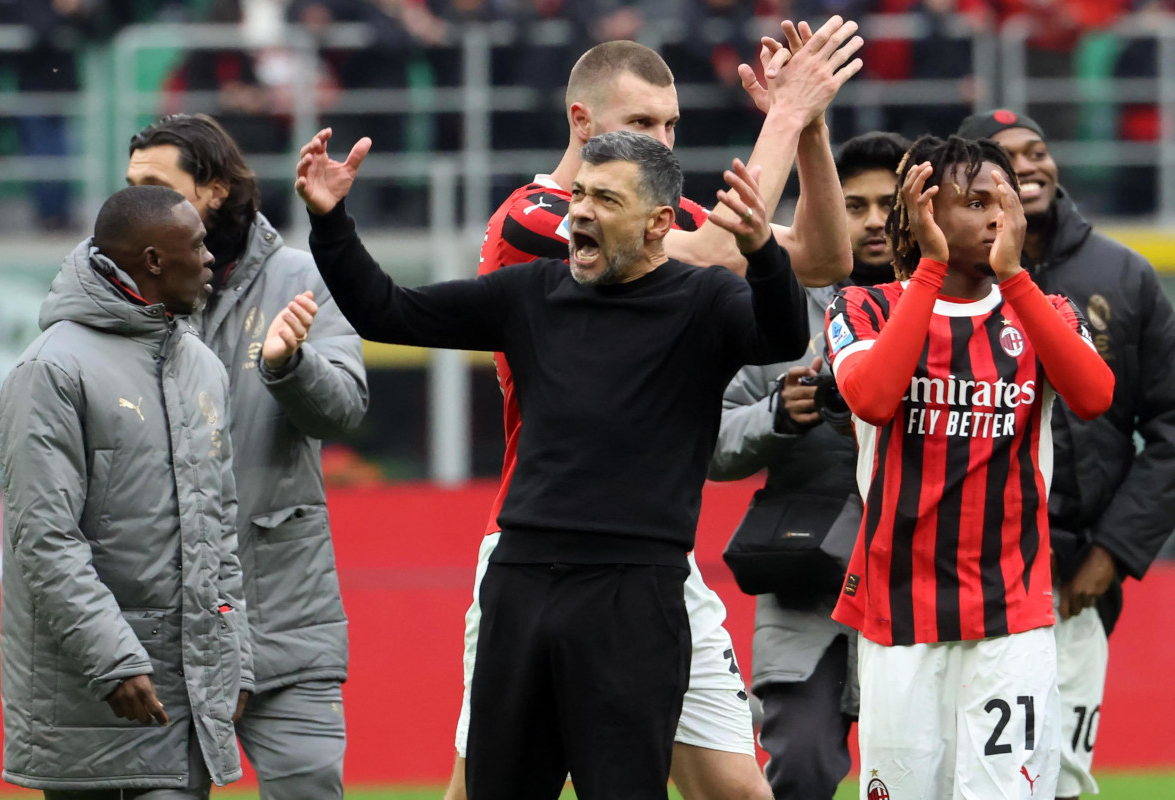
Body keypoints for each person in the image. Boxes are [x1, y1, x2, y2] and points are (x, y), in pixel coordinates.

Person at [297, 126, 806, 799]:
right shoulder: (531, 292)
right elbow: (386, 310)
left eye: (605, 199)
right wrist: (331, 220)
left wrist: (764, 253)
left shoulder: (703, 302)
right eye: (579, 195)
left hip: (634, 593)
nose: (581, 212)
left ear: (659, 224)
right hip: (521, 582)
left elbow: (784, 333)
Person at [442, 21, 863, 800]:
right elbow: (708, 261)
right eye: (641, 124)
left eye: (672, 123)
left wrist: (810, 128)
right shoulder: (537, 217)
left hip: (652, 559)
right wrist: (781, 112)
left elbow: (824, 259)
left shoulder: (662, 216)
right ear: (581, 122)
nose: (664, 139)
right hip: (540, 552)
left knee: (738, 791)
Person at [824, 135, 1115, 800]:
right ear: (924, 210)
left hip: (1010, 613)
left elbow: (1095, 397)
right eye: (976, 201)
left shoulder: (1042, 312)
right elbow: (870, 399)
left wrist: (1016, 278)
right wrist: (928, 270)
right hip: (900, 613)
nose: (997, 217)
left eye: (1004, 202)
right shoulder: (865, 308)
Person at [126, 114, 369, 800]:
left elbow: (345, 406)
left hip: (283, 616)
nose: (129, 204)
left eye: (153, 185)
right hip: (162, 631)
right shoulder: (118, 297)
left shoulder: (302, 272)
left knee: (311, 787)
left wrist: (290, 366)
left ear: (213, 191)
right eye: (128, 187)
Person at [0, 185, 251, 797]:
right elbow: (45, 538)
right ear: (153, 261)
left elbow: (218, 528)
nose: (211, 257)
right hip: (98, 701)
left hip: (186, 698)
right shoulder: (49, 371)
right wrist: (116, 661)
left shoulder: (202, 366)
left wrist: (235, 652)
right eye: (196, 244)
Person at [957, 108, 1175, 800]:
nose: (1030, 166)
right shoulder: (946, 283)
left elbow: (1171, 425)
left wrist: (1113, 554)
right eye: (1007, 156)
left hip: (1080, 580)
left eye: (1039, 150)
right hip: (969, 578)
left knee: (1060, 779)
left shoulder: (1126, 276)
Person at [709, 130, 910, 800]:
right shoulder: (775, 308)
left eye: (890, 202)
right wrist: (778, 413)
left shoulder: (962, 303)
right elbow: (705, 439)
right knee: (796, 767)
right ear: (821, 211)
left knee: (926, 770)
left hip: (926, 576)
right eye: (854, 205)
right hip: (806, 579)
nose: (876, 219)